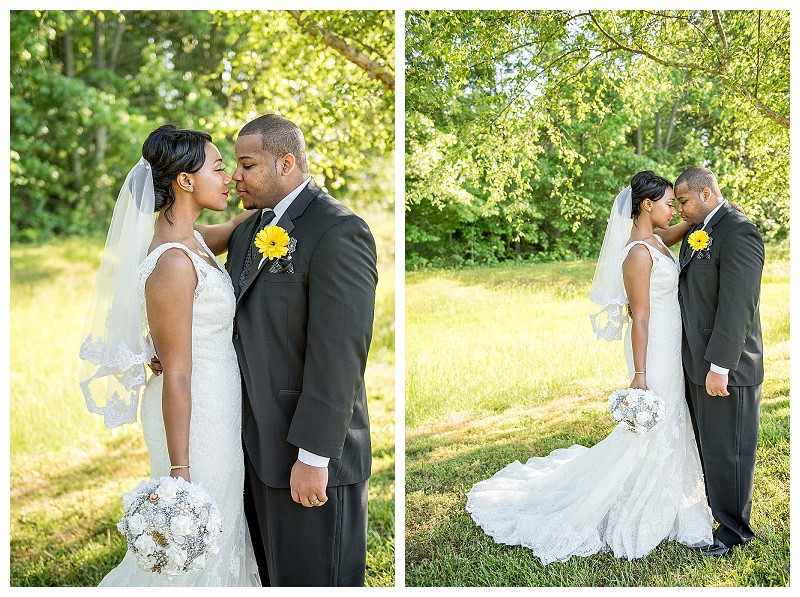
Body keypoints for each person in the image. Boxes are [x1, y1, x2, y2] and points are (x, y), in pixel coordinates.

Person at [152, 114, 378, 585]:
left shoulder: (338, 231)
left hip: (308, 458)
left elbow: (340, 357)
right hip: (250, 448)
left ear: (287, 163)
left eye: (247, 165)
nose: (235, 176)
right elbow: (169, 258)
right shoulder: (250, 227)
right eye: (230, 165)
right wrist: (159, 339)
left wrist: (313, 458)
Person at [466, 171, 714, 564]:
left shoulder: (654, 240)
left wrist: (706, 213)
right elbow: (641, 318)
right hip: (653, 350)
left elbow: (674, 234)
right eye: (669, 203)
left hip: (669, 342)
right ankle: (648, 505)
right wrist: (640, 375)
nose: (674, 210)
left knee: (672, 419)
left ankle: (672, 497)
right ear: (647, 205)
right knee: (657, 420)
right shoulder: (636, 253)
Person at [79, 124, 260, 586]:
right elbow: (176, 373)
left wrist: (264, 209)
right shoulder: (174, 262)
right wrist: (180, 470)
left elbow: (227, 231)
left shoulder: (191, 239)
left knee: (223, 527)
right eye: (219, 169)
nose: (230, 179)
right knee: (197, 525)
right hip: (192, 418)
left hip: (215, 403)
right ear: (184, 180)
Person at [674, 166, 764, 557]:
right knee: (711, 448)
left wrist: (720, 367)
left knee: (730, 451)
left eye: (683, 200)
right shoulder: (702, 229)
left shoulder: (738, 231)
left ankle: (734, 532)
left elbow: (737, 307)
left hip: (726, 368)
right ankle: (716, 516)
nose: (679, 208)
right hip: (697, 362)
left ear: (706, 194)